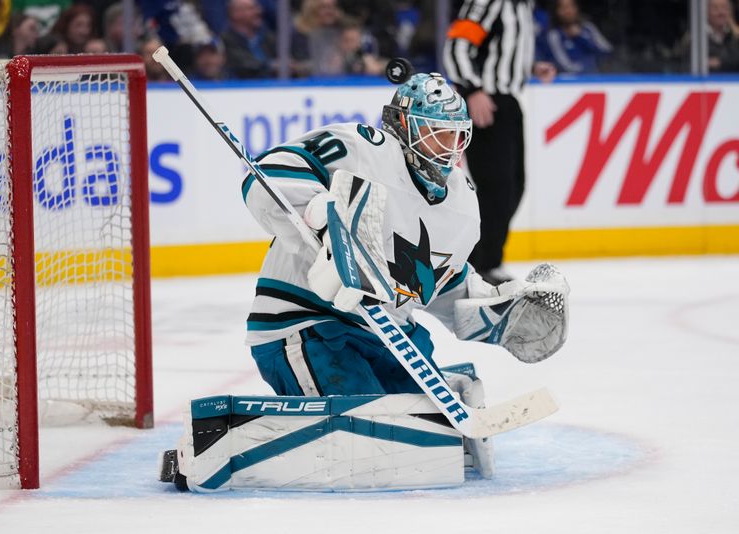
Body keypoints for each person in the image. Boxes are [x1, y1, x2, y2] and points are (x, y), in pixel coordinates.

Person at [242, 69, 569, 477]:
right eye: (435, 133)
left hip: (388, 334)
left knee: (430, 440)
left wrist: (497, 311)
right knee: (373, 442)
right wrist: (322, 217)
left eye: (455, 136)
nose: (448, 149)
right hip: (306, 324)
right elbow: (268, 175)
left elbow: (437, 282)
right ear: (401, 126)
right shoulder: (360, 147)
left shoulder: (463, 202)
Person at [444, 0, 556, 286]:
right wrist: (472, 90)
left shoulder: (522, 5)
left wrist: (528, 67)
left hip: (507, 101)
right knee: (497, 188)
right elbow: (456, 46)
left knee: (513, 186)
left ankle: (481, 260)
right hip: (487, 102)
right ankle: (480, 264)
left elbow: (495, 51)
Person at [535, 0, 612, 74]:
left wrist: (581, 36)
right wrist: (588, 68)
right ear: (556, 11)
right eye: (563, 8)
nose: (568, 11)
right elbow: (564, 66)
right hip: (570, 82)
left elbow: (607, 50)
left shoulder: (588, 28)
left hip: (598, 77)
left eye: (571, 6)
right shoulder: (553, 34)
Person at [220, 0, 276, 78]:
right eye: (251, 8)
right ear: (235, 14)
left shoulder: (268, 37)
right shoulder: (225, 41)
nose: (259, 11)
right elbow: (243, 66)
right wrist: (272, 66)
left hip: (275, 87)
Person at [707, 0, 739, 72]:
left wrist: (720, 63)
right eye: (715, 8)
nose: (721, 12)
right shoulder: (696, 39)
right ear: (707, 12)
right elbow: (683, 64)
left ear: (730, 12)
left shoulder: (735, 38)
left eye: (724, 8)